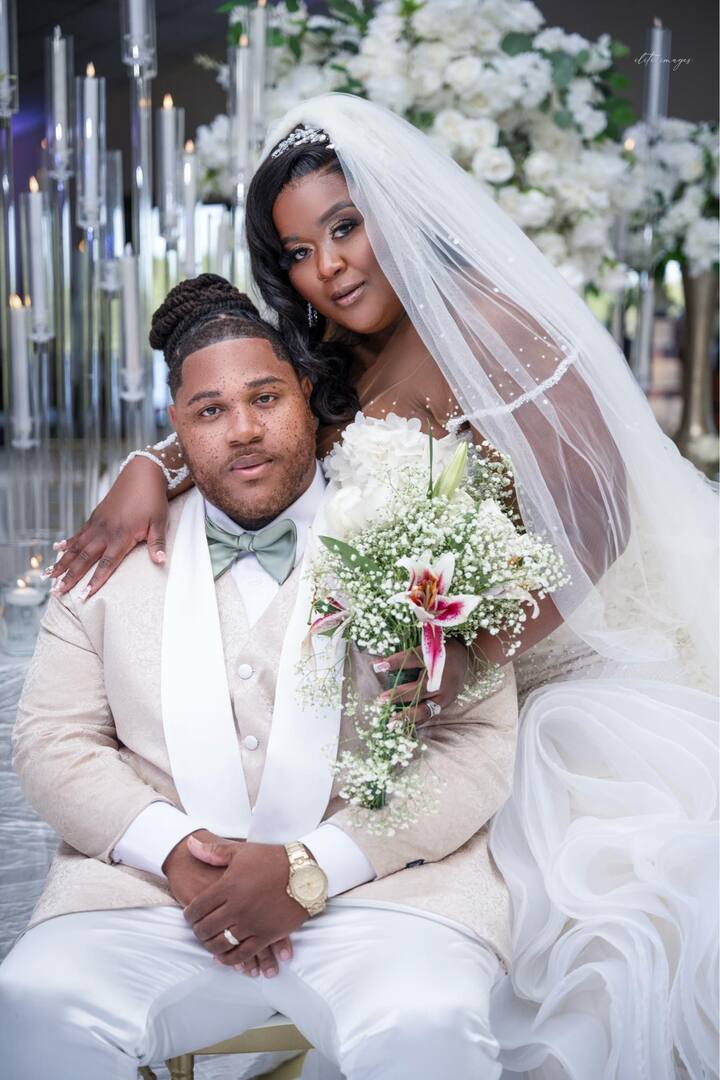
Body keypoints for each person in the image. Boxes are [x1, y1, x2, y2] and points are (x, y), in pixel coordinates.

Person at [45, 93, 718, 1077]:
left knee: (539, 934)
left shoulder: (493, 326)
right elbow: (259, 430)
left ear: (398, 212)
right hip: (394, 689)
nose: (329, 267)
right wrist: (152, 466)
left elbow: (596, 521)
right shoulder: (337, 353)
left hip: (527, 678)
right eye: (298, 252)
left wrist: (464, 656)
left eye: (345, 227)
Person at [0, 281, 519, 1079]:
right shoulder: (110, 556)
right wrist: (173, 852)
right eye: (209, 411)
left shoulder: (418, 533)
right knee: (36, 998)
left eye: (265, 398)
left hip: (385, 895)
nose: (243, 430)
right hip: (149, 900)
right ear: (175, 429)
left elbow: (476, 742)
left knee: (430, 1017)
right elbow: (51, 739)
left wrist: (315, 867)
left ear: (306, 395)